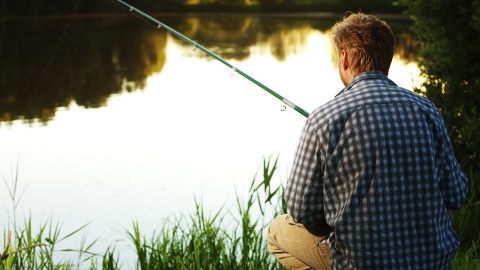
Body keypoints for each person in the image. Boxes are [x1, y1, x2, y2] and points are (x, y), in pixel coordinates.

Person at [267, 12, 468, 270]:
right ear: (388, 59)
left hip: (360, 264)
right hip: (432, 263)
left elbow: (301, 209)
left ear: (344, 57)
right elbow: (457, 194)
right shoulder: (427, 110)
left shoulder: (324, 118)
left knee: (277, 231)